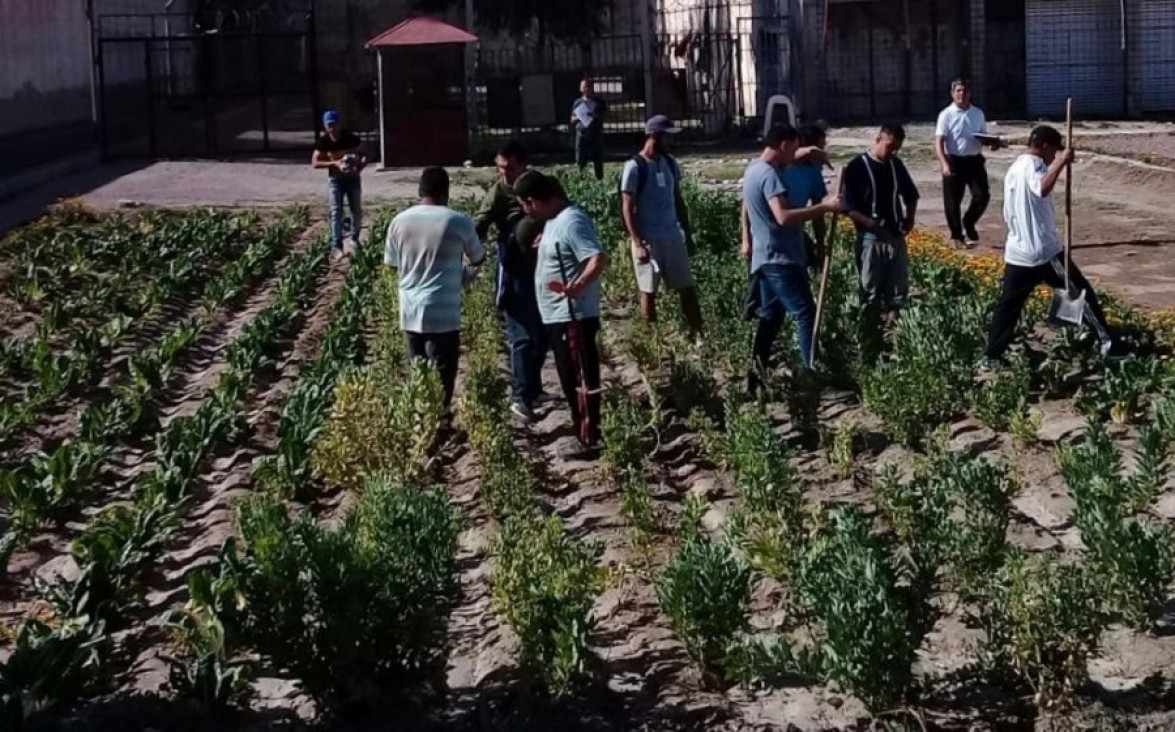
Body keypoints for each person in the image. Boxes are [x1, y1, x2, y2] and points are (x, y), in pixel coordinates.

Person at [982, 125, 1113, 365]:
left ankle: (992, 354)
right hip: (1044, 252)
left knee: (1008, 306)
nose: (1055, 154)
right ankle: (1107, 341)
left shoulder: (1015, 167)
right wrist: (1061, 163)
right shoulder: (1034, 165)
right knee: (1079, 292)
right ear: (1043, 146)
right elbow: (1041, 188)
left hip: (1018, 251)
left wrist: (1059, 162)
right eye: (1054, 150)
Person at [740, 123, 841, 396]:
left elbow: (789, 159)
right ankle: (809, 375)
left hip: (765, 256)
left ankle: (755, 376)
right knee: (805, 312)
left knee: (771, 317)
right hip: (780, 259)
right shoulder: (770, 177)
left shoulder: (753, 170)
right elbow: (783, 217)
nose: (795, 154)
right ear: (784, 145)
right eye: (793, 148)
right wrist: (825, 207)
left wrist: (810, 151)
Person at [514, 171, 609, 457]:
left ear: (533, 201)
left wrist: (578, 286)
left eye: (524, 204)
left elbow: (596, 257)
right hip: (558, 316)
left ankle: (589, 439)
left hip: (573, 316)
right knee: (570, 379)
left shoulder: (572, 220)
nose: (524, 211)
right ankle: (583, 432)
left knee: (579, 379)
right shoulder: (554, 223)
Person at [384, 167, 486, 411]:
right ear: (446, 192)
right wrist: (462, 275)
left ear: (420, 191)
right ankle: (439, 420)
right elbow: (478, 258)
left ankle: (420, 421)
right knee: (442, 371)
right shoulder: (457, 220)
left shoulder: (399, 222)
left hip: (410, 308)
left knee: (418, 371)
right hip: (444, 310)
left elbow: (392, 264)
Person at [473, 140, 549, 423]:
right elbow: (478, 226)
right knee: (521, 335)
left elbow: (559, 209)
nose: (503, 174)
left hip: (544, 270)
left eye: (509, 168)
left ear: (523, 166)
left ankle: (534, 388)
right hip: (515, 272)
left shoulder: (540, 184)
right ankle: (519, 397)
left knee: (542, 334)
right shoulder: (498, 193)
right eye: (499, 168)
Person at [620, 114, 704, 341]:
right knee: (648, 291)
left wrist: (687, 232)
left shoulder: (669, 163)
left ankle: (697, 334)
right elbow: (627, 207)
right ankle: (653, 341)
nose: (671, 142)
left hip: (672, 236)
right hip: (648, 239)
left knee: (686, 287)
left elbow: (678, 199)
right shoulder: (634, 167)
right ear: (654, 136)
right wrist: (637, 243)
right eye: (668, 137)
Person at [842, 122, 920, 361]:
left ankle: (894, 341)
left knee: (897, 293)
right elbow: (849, 208)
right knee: (870, 293)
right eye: (890, 147)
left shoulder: (895, 165)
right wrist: (872, 224)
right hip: (870, 240)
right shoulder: (857, 167)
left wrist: (909, 218)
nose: (893, 153)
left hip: (895, 239)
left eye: (897, 148)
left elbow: (911, 194)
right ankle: (870, 344)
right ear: (878, 140)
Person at [935, 78, 1000, 249]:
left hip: (974, 161)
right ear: (952, 93)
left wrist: (992, 143)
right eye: (958, 91)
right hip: (954, 160)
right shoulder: (946, 114)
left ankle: (969, 221)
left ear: (970, 93)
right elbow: (939, 141)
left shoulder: (977, 113)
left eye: (965, 91)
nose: (962, 94)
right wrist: (944, 163)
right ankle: (957, 235)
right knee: (952, 201)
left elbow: (982, 137)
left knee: (982, 195)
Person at [312, 110, 366, 261]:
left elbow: (367, 152)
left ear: (339, 124)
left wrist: (360, 165)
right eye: (329, 125)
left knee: (355, 209)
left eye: (334, 124)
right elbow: (314, 163)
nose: (332, 128)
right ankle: (337, 245)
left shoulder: (350, 138)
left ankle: (354, 240)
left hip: (352, 178)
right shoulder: (323, 142)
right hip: (335, 180)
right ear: (325, 126)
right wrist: (334, 163)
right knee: (336, 212)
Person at [571, 78, 607, 181]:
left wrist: (594, 116)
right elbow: (572, 118)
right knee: (581, 159)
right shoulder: (577, 103)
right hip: (581, 134)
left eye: (587, 86)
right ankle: (583, 179)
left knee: (598, 158)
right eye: (583, 86)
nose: (585, 88)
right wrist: (578, 117)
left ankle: (599, 178)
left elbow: (604, 115)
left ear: (591, 87)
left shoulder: (599, 102)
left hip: (595, 133)